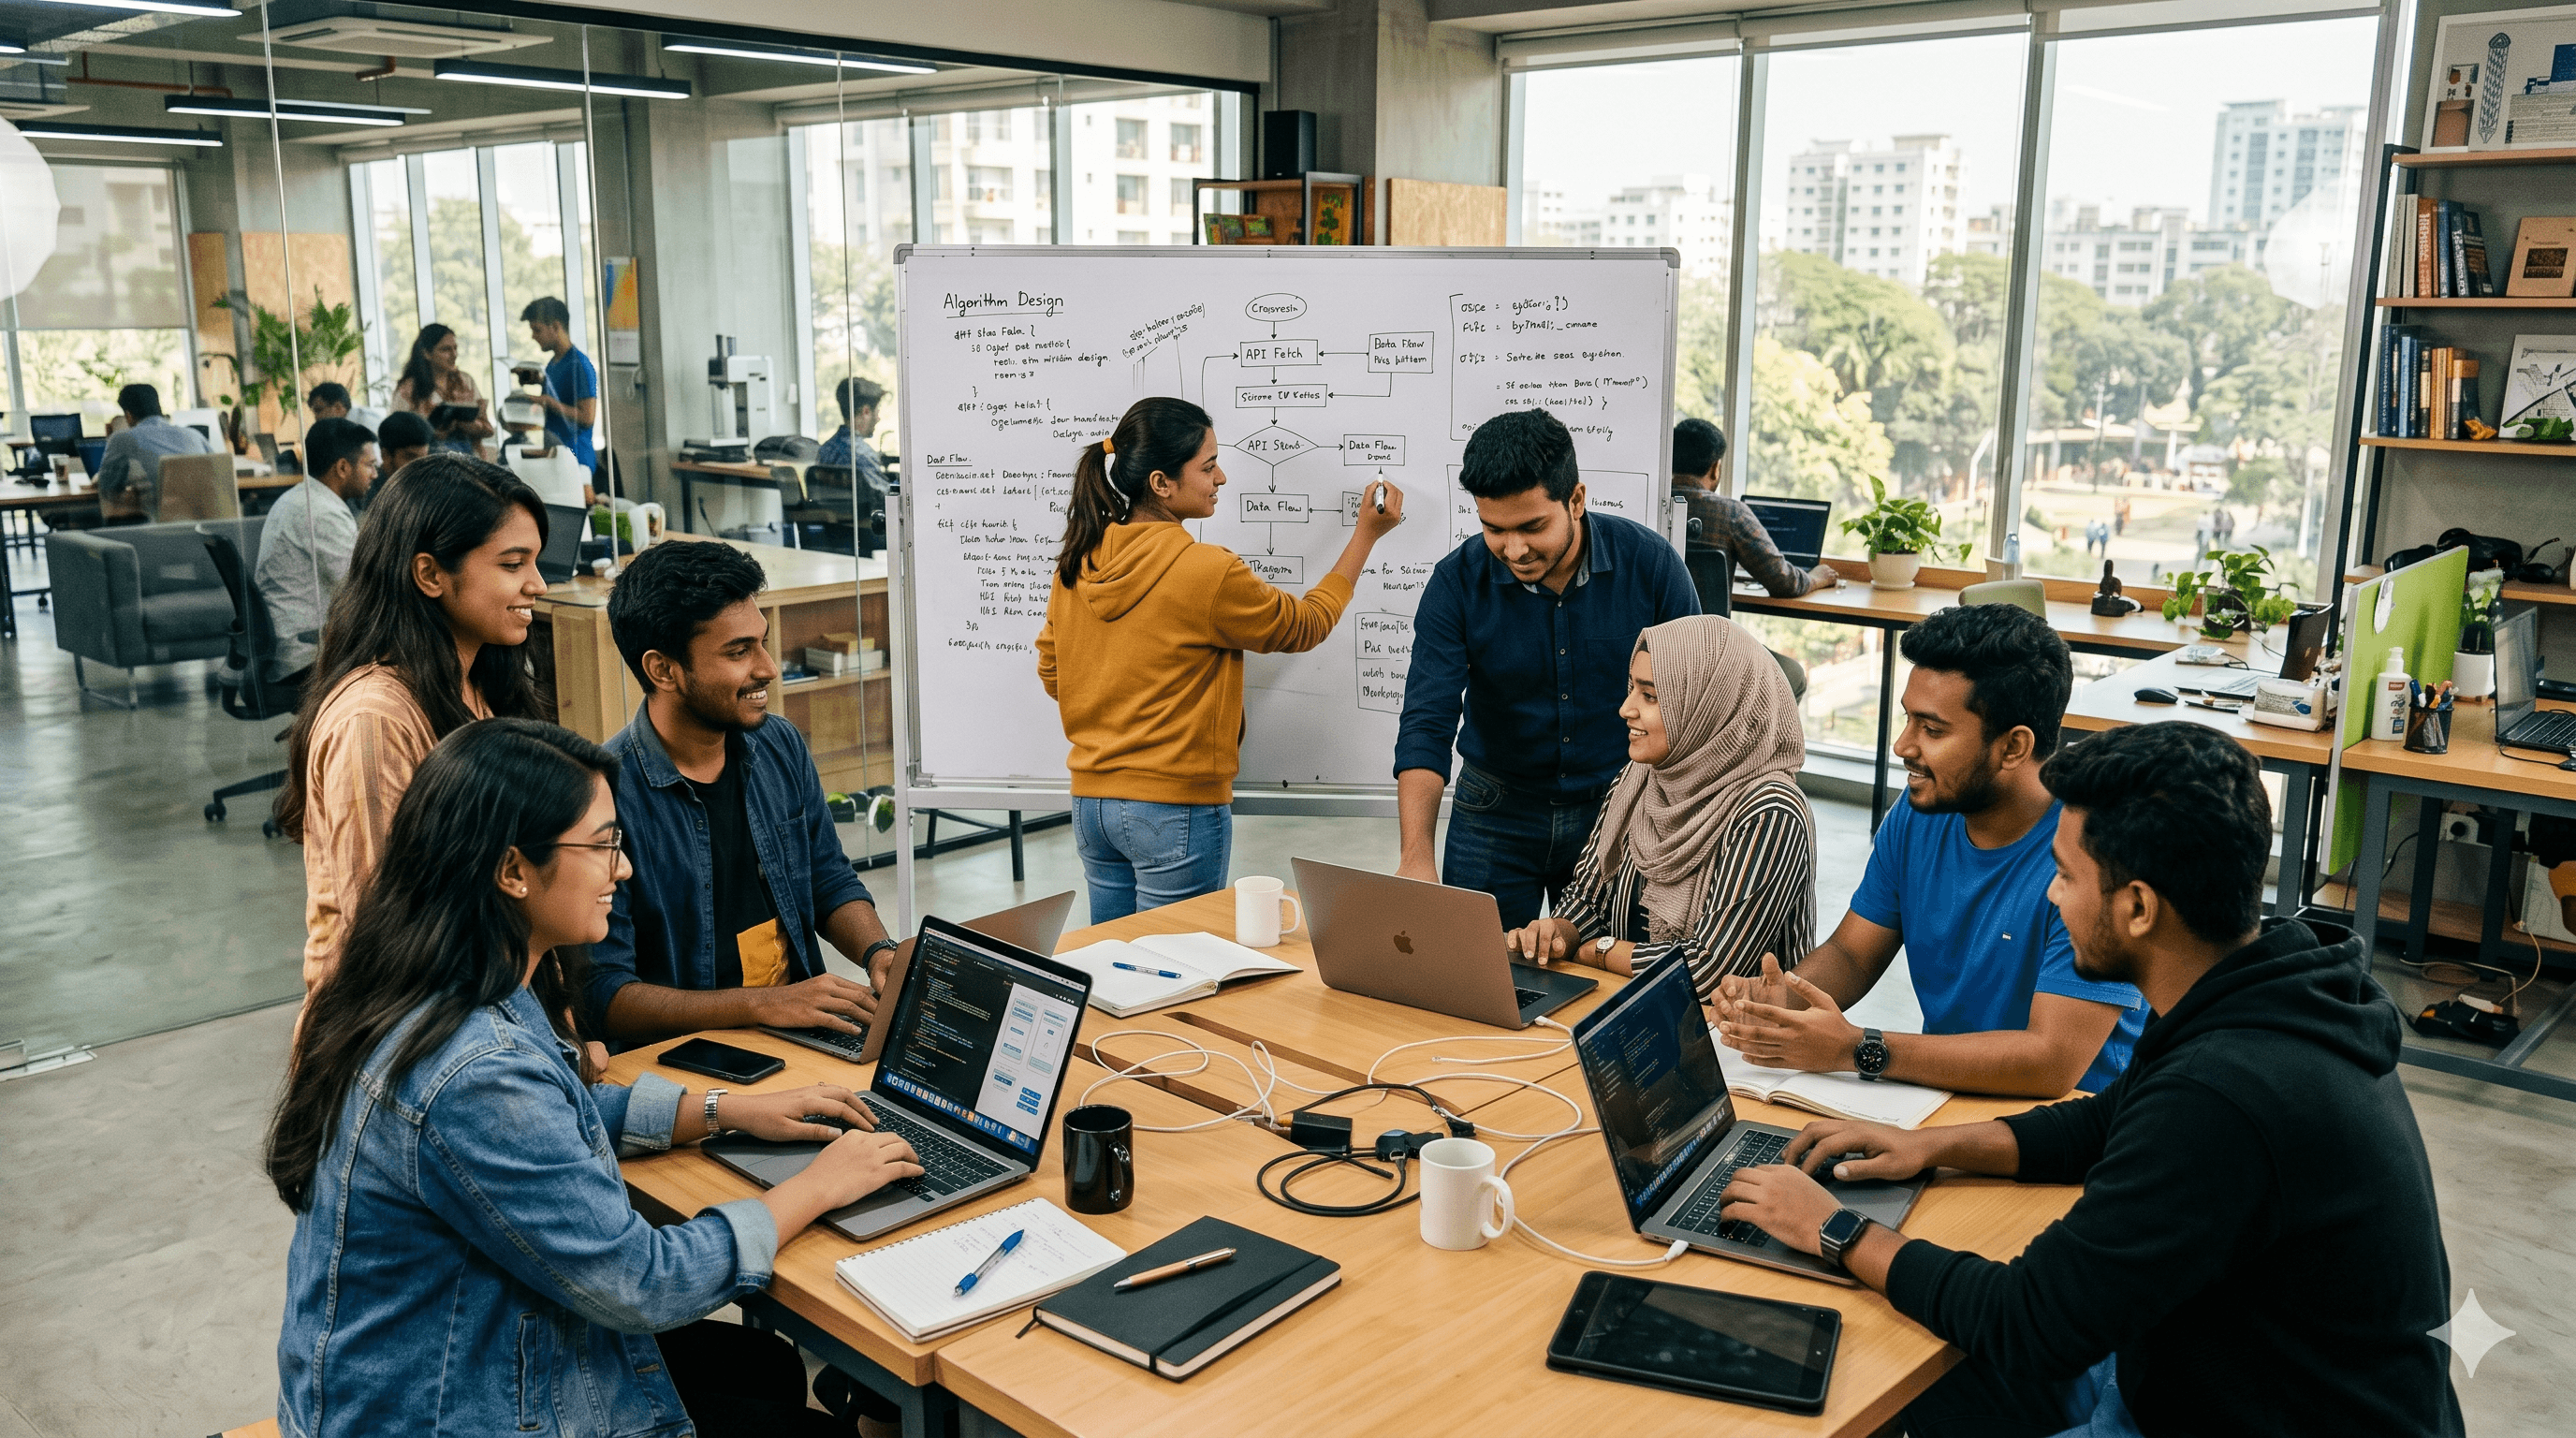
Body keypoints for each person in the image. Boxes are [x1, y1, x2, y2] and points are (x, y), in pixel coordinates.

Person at [1716, 722, 2462, 1438]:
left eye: (2067, 877)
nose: (2050, 896)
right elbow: (2105, 1122)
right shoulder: (2263, 990)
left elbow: (2030, 1322)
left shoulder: (2225, 1094)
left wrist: (1835, 1229)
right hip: (2217, 1383)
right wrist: (1926, 1146)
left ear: (2138, 907)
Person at [269, 717, 923, 1438]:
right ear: (513, 870)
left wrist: (727, 1110)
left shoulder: (434, 984)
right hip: (444, 1412)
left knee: (760, 1368)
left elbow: (558, 1115)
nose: (625, 869)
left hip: (444, 1368)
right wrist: (822, 1183)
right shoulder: (476, 1070)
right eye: (605, 845)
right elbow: (647, 1281)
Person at [1715, 603, 2145, 1097]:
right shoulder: (1920, 811)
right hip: (1939, 1094)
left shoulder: (2095, 854)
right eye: (1907, 720)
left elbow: (2050, 1062)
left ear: (2013, 747)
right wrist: (1780, 1002)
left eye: (1932, 730)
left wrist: (1855, 1047)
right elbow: (1852, 954)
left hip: (2073, 1128)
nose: (1902, 745)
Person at [1037, 396, 1405, 921]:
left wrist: (1112, 695)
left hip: (1091, 805)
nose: (1222, 477)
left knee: (1118, 973)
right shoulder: (1205, 571)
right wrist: (1365, 536)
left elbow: (1054, 673)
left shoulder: (1077, 560)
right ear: (1162, 483)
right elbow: (1303, 626)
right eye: (1207, 466)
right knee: (1178, 966)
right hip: (1175, 808)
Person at [1393, 407, 1699, 928]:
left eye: (1532, 527)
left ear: (1575, 500)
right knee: (1473, 976)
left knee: (1610, 982)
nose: (1513, 549)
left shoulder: (1650, 565)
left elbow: (1695, 702)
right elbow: (1427, 721)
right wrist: (1416, 853)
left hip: (1620, 807)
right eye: (1494, 529)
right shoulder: (1456, 583)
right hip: (1494, 809)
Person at [589, 540, 900, 1040]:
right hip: (692, 1061)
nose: (768, 668)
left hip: (799, 1029)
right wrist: (764, 1004)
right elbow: (605, 996)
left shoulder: (779, 744)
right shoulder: (603, 796)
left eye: (762, 642)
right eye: (739, 652)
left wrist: (879, 952)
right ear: (663, 670)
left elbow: (827, 877)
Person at [276, 453, 552, 991]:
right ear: (429, 573)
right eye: (513, 564)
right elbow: (390, 930)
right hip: (414, 1031)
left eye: (535, 562)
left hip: (490, 1001)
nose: (537, 585)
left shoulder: (482, 682)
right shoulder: (373, 719)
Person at [1502, 615, 1812, 999]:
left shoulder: (1770, 811)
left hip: (1738, 1040)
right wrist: (1559, 934)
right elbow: (1587, 897)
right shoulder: (1639, 778)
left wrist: (1601, 952)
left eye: (1649, 696)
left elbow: (1708, 973)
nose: (1625, 709)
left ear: (1706, 706)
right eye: (1631, 689)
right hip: (1634, 1006)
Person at [254, 416, 377, 685]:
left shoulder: (302, 498)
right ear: (343, 467)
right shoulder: (322, 513)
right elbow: (363, 588)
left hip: (297, 643)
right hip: (307, 655)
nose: (375, 474)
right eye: (369, 465)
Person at [1670, 417, 1837, 597]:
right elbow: (1784, 582)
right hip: (1709, 626)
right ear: (1715, 468)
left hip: (1655, 625)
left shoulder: (1651, 503)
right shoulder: (1731, 513)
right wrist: (1816, 578)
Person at [93, 382, 213, 522]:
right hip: (206, 530)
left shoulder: (122, 438)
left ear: (128, 415)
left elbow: (108, 488)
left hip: (156, 531)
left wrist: (98, 478)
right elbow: (217, 473)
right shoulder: (194, 435)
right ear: (158, 408)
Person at [515, 296, 599, 477]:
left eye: (537, 330)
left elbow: (587, 416)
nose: (533, 336)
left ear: (555, 327)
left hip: (577, 459)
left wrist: (548, 402)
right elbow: (558, 390)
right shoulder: (553, 364)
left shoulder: (579, 365)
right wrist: (535, 380)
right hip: (556, 454)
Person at [394, 322, 492, 455]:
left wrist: (469, 426)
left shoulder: (466, 381)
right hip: (427, 463)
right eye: (445, 349)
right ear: (427, 354)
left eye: (455, 348)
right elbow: (395, 434)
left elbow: (488, 429)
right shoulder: (408, 389)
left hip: (468, 461)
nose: (454, 355)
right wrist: (431, 432)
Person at [816, 375, 887, 494]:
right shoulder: (862, 455)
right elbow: (882, 498)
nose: (878, 418)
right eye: (877, 410)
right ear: (866, 411)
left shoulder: (824, 451)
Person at [366, 409, 434, 509]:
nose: (421, 467)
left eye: (424, 458)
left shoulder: (430, 489)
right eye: (411, 458)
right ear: (385, 455)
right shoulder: (366, 494)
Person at [305, 380, 386, 433]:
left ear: (338, 407)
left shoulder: (366, 424)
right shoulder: (342, 427)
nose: (316, 417)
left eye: (319, 410)